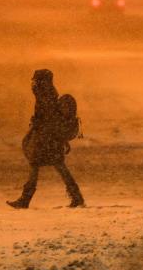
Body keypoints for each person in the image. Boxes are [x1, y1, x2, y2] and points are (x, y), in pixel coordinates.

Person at [8, 69, 85, 208]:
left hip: (46, 140)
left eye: (36, 80)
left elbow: (49, 120)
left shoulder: (46, 96)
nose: (33, 83)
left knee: (38, 167)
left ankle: (25, 200)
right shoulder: (47, 95)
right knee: (58, 168)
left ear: (43, 82)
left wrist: (38, 126)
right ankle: (77, 197)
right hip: (48, 140)